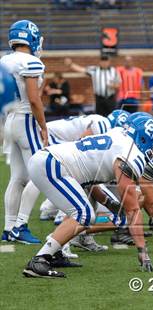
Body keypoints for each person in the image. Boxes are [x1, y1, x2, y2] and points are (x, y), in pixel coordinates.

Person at [22, 115, 153, 278]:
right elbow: (132, 209)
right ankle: (39, 261)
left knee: (82, 210)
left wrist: (108, 202)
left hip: (51, 161)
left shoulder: (119, 134)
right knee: (84, 214)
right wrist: (142, 250)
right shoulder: (131, 155)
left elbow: (90, 177)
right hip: (52, 164)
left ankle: (54, 253)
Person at [0, 20, 48, 244]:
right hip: (26, 119)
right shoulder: (31, 61)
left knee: (18, 177)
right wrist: (44, 126)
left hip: (9, 120)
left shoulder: (5, 60)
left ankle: (9, 228)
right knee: (41, 173)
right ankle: (20, 225)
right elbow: (34, 99)